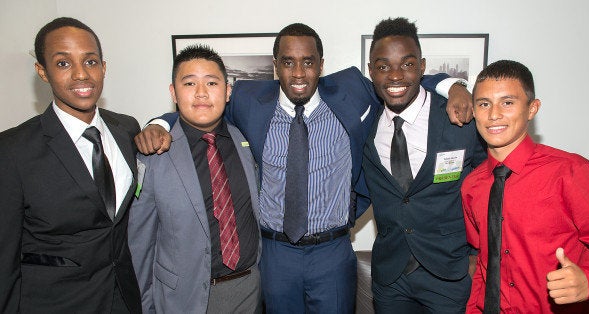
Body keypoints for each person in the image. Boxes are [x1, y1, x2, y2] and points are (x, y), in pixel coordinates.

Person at [134, 23, 471, 313]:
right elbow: (200, 109)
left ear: (321, 65)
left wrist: (452, 86)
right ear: (275, 66)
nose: (298, 73)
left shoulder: (351, 92)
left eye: (308, 62)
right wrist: (160, 123)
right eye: (288, 62)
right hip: (275, 255)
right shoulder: (251, 101)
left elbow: (400, 80)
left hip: (333, 253)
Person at [462, 59, 589, 313]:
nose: (494, 114)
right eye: (484, 104)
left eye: (507, 102)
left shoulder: (569, 171)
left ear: (532, 108)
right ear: (474, 111)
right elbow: (483, 262)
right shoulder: (472, 186)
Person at [0, 17, 141, 313]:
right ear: (43, 72)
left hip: (123, 299)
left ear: (103, 67)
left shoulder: (126, 129)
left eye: (90, 62)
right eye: (63, 63)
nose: (81, 74)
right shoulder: (12, 150)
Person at [359, 17, 486, 313]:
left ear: (422, 66)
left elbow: (487, 187)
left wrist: (479, 253)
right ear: (371, 72)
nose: (395, 76)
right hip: (390, 278)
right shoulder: (365, 124)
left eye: (407, 64)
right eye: (383, 66)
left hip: (449, 274)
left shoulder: (459, 119)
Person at [128, 45, 262, 313]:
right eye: (189, 83)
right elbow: (139, 244)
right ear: (173, 93)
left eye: (211, 82)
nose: (201, 92)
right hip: (183, 299)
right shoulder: (153, 153)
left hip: (249, 292)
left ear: (227, 91)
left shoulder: (243, 140)